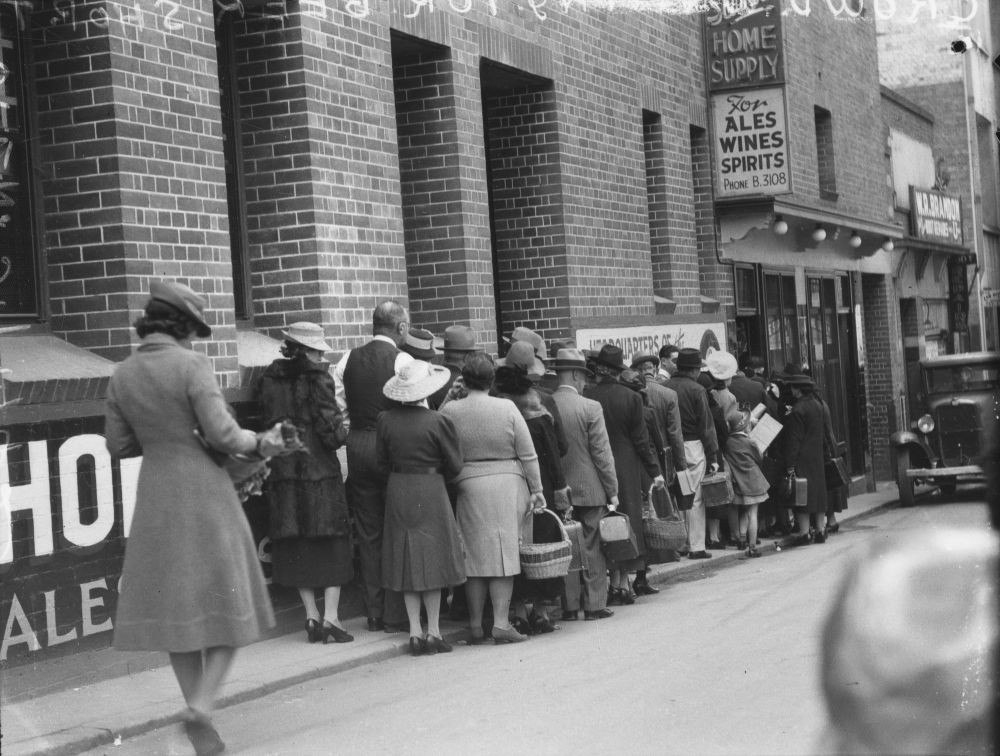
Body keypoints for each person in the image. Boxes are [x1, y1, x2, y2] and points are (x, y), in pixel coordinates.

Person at [104, 281, 286, 756]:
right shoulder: (191, 365)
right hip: (205, 495)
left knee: (178, 617)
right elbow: (224, 436)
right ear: (184, 327)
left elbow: (119, 445)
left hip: (156, 499)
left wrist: (162, 434)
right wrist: (260, 441)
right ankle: (201, 708)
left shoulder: (121, 373)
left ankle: (197, 716)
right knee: (233, 608)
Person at [256, 322, 353, 645]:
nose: (321, 356)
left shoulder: (269, 379)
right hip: (319, 476)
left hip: (285, 475)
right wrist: (344, 431)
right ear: (309, 350)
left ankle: (311, 616)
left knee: (298, 548)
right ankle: (332, 618)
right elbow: (332, 433)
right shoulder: (318, 379)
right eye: (319, 351)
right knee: (333, 546)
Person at [440, 353, 547, 645]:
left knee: (474, 558)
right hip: (507, 484)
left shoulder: (451, 411)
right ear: (491, 380)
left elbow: (436, 431)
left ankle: (476, 625)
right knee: (503, 555)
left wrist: (448, 398)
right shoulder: (507, 407)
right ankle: (500, 622)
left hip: (468, 484)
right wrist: (537, 489)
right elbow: (527, 453)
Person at [332, 300, 412, 633]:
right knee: (399, 526)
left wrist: (354, 427)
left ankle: (375, 613)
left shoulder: (346, 358)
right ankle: (398, 613)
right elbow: (411, 403)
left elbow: (338, 403)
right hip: (391, 444)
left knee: (368, 533)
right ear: (401, 328)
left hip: (358, 446)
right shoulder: (404, 360)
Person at [377, 360, 466, 656]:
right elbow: (455, 466)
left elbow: (380, 462)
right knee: (433, 557)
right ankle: (434, 632)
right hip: (430, 489)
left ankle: (415, 631)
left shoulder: (385, 420)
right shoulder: (438, 421)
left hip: (398, 487)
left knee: (406, 559)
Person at [494, 364, 570, 635]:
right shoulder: (539, 417)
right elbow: (559, 450)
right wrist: (561, 490)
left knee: (516, 547)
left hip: (511, 489)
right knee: (541, 550)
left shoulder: (500, 416)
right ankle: (540, 611)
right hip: (543, 491)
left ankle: (517, 611)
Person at [585, 345, 665, 602]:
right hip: (626, 465)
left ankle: (613, 582)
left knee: (602, 524)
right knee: (626, 523)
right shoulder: (630, 398)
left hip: (596, 466)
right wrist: (655, 472)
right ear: (619, 371)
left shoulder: (588, 395)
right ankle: (622, 582)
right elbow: (642, 442)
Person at [551, 348, 619, 621]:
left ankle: (569, 606)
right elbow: (602, 454)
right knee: (592, 547)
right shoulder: (590, 407)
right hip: (591, 488)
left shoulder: (547, 403)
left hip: (559, 489)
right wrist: (612, 490)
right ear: (577, 375)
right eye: (584, 377)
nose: (586, 383)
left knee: (566, 548)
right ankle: (594, 605)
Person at [666, 347, 720, 559]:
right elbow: (707, 426)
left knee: (679, 496)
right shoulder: (697, 390)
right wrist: (713, 455)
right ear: (694, 370)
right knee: (696, 497)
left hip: (671, 446)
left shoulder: (665, 387)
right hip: (694, 445)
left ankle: (680, 543)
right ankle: (696, 546)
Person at [781, 373, 829, 544]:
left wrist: (790, 465)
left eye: (793, 387)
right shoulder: (818, 405)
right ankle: (821, 530)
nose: (791, 391)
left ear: (798, 389)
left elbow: (794, 440)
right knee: (818, 492)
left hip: (802, 457)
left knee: (801, 494)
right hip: (816, 455)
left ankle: (804, 533)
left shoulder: (798, 410)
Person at [631, 349, 686, 484]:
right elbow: (675, 434)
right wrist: (681, 466)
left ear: (636, 371)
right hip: (664, 458)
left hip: (638, 460)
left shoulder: (629, 395)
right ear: (655, 369)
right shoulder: (669, 394)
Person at [723, 410, 769, 557]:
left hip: (738, 482)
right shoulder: (750, 442)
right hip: (753, 481)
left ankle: (742, 539)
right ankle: (752, 547)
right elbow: (759, 458)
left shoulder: (728, 443)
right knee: (752, 513)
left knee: (744, 511)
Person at [427, 325, 481, 409]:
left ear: (445, 353)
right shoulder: (465, 385)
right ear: (467, 357)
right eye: (474, 355)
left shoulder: (429, 379)